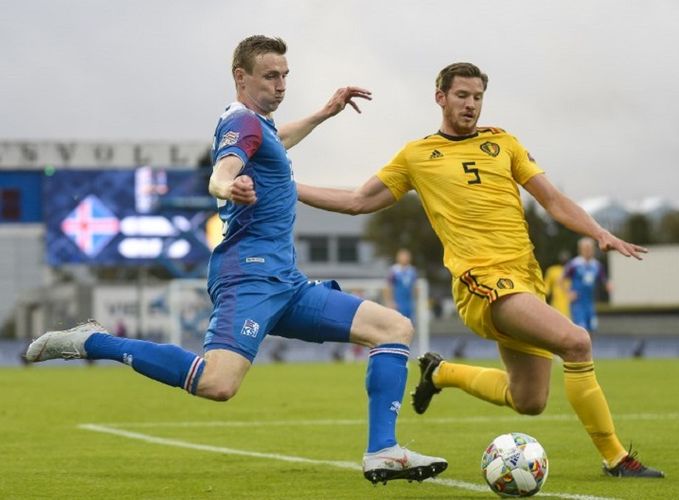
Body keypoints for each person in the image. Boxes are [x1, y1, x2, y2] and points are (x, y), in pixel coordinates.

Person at [25, 35, 446, 486]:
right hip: (248, 278)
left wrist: (325, 113)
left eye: (285, 75)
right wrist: (230, 187)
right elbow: (222, 171)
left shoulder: (260, 126)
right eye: (270, 76)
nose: (281, 85)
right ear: (240, 77)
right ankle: (94, 342)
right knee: (217, 384)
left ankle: (382, 450)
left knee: (394, 329)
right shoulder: (241, 122)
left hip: (287, 283)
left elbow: (278, 139)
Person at [296, 62, 664, 478]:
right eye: (462, 96)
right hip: (482, 282)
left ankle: (441, 373)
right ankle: (617, 459)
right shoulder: (417, 155)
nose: (471, 105)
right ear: (441, 97)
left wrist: (598, 232)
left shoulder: (503, 143)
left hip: (525, 278)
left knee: (529, 399)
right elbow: (358, 200)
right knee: (576, 342)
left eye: (477, 97)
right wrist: (289, 187)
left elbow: (553, 200)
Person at [565, 238, 611, 332]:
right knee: (581, 329)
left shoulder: (597, 265)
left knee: (592, 328)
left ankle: (590, 347)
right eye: (585, 248)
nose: (587, 251)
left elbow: (604, 280)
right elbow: (561, 280)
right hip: (578, 303)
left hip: (590, 303)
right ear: (580, 250)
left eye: (589, 248)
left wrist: (608, 285)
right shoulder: (574, 264)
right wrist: (568, 292)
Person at [384, 248, 418, 321]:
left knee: (410, 323)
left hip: (409, 303)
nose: (404, 258)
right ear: (398, 257)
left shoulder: (412, 270)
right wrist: (390, 301)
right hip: (398, 302)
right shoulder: (394, 270)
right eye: (402, 256)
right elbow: (388, 286)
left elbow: (414, 287)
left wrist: (415, 300)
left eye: (406, 256)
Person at [543, 250, 571, 319]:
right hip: (556, 305)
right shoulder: (552, 270)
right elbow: (546, 289)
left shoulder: (573, 270)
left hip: (571, 305)